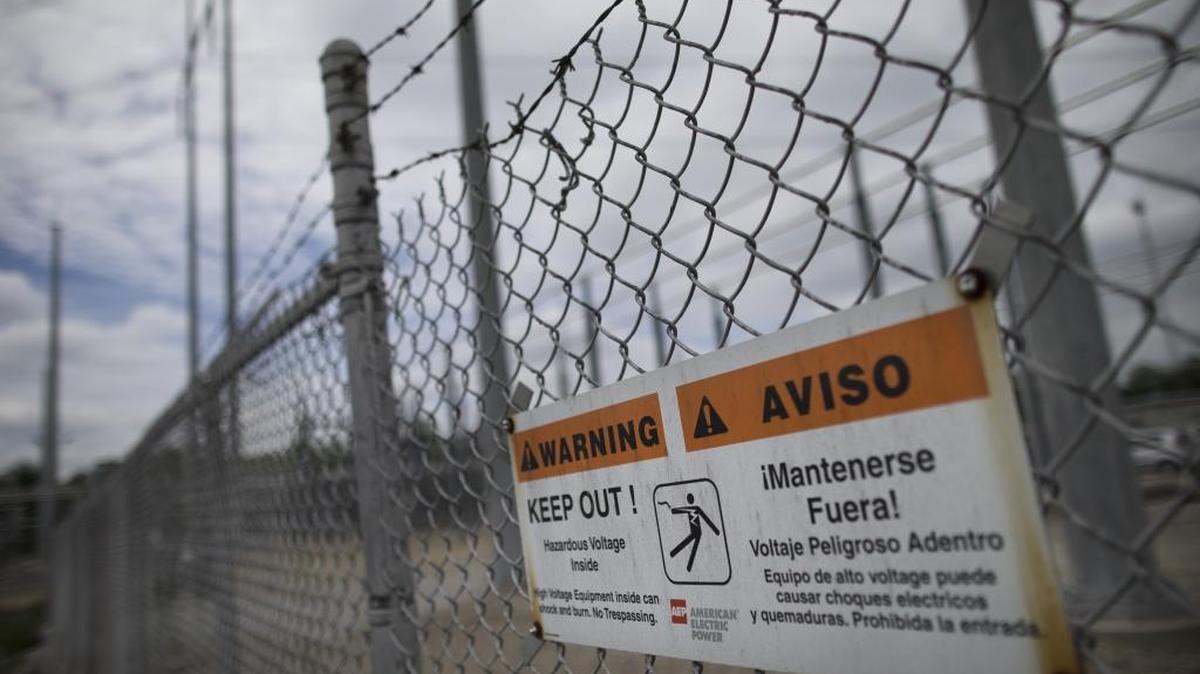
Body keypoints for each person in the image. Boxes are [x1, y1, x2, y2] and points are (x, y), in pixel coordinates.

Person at [666, 493, 720, 572]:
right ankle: (675, 554)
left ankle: (683, 561)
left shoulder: (694, 508)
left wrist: (716, 530)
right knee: (689, 543)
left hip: (697, 532)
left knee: (692, 545)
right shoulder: (694, 508)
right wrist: (715, 530)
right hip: (696, 532)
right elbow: (706, 518)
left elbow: (705, 518)